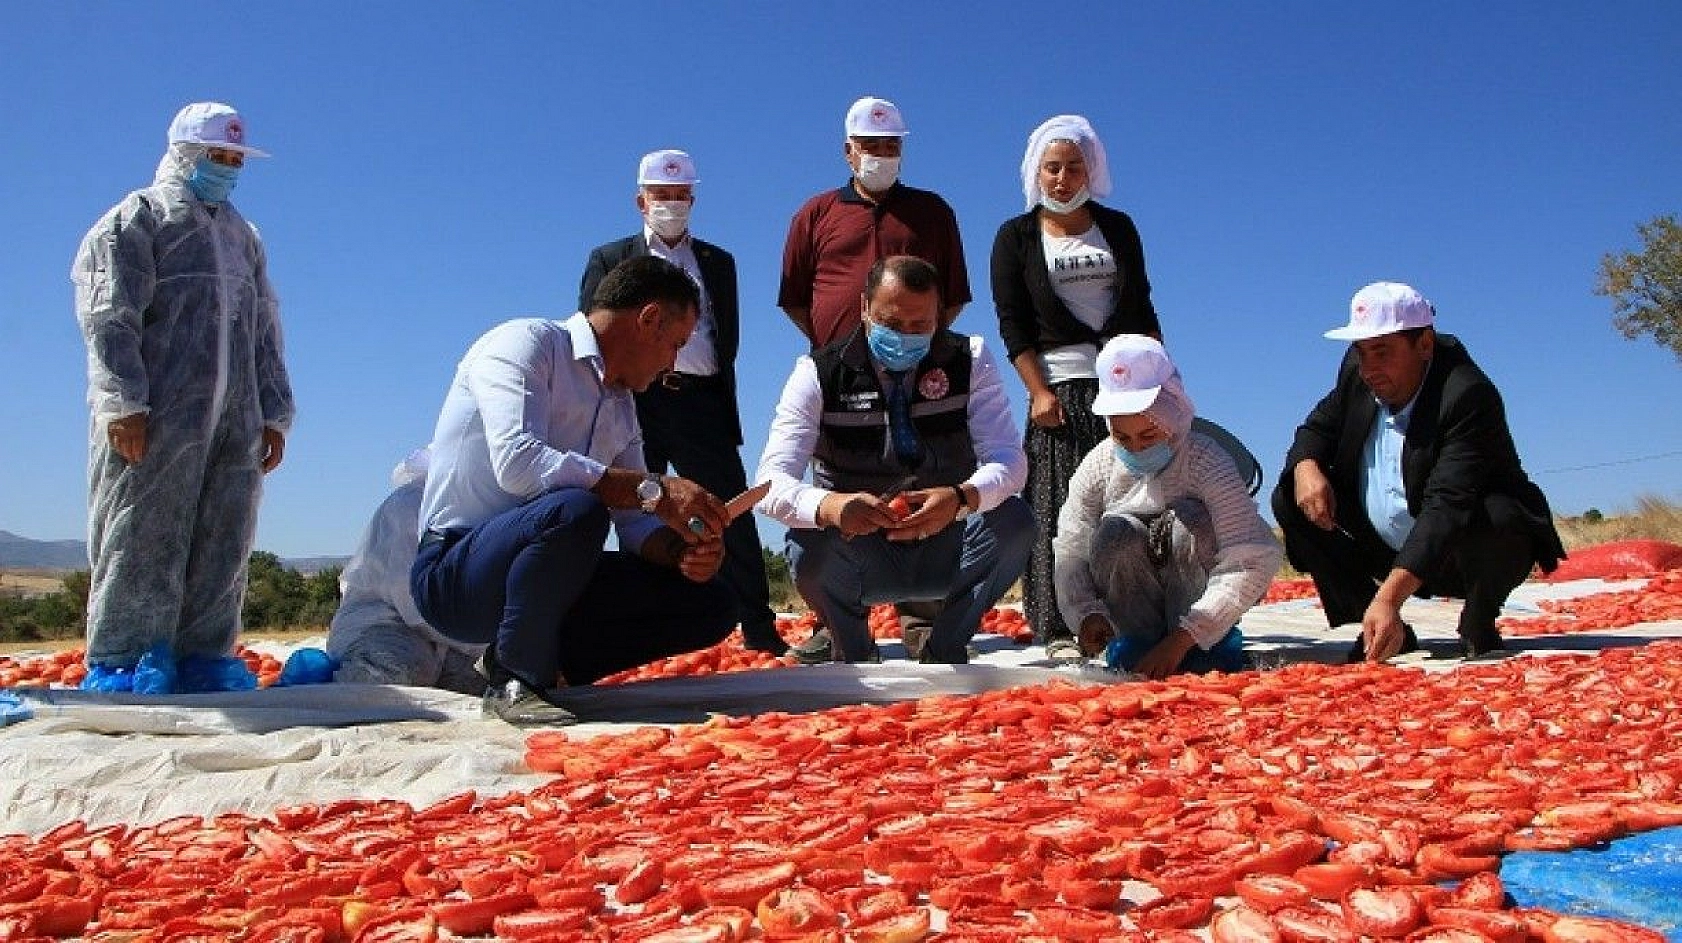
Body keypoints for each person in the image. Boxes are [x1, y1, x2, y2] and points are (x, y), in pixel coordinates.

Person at [411, 256, 737, 723]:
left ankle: (534, 664)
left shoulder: (622, 407)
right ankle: (517, 680)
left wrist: (682, 550)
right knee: (578, 508)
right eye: (675, 345)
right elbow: (518, 465)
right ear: (648, 319)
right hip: (457, 572)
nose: (673, 365)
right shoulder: (526, 345)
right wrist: (658, 491)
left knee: (712, 602)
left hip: (549, 571)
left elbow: (635, 521)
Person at [71, 102, 294, 693]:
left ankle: (204, 656)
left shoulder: (242, 237)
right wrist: (122, 401)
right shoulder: (137, 219)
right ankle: (125, 658)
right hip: (159, 412)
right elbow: (109, 314)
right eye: (216, 156)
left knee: (225, 533)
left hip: (234, 419)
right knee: (143, 530)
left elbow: (264, 330)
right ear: (184, 154)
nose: (226, 168)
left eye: (234, 159)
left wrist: (273, 411)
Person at [755, 256, 1033, 664]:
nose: (905, 336)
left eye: (920, 326)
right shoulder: (817, 374)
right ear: (865, 308)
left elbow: (1010, 461)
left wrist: (961, 498)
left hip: (946, 541)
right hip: (861, 551)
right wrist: (832, 507)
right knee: (806, 542)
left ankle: (947, 646)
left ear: (938, 316)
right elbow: (769, 485)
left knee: (1014, 521)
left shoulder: (969, 359)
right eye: (891, 323)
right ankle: (854, 652)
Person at [1272, 282, 1566, 662]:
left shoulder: (1466, 395)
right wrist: (1306, 466)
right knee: (1290, 497)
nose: (1369, 369)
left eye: (1381, 351)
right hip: (1382, 543)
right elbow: (1317, 428)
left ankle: (1478, 619)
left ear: (1424, 345)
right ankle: (1380, 625)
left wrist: (1389, 597)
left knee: (1501, 515)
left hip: (1460, 551)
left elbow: (1447, 505)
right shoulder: (1358, 374)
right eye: (1361, 352)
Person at [778, 95, 973, 656]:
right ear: (848, 151)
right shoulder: (814, 215)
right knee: (838, 488)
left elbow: (953, 294)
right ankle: (833, 624)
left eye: (892, 146)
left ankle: (925, 622)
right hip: (840, 382)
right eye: (871, 146)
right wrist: (838, 348)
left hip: (922, 375)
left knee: (924, 473)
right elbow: (795, 299)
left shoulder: (933, 212)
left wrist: (916, 342)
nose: (881, 155)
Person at [577, 150, 784, 655]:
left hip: (701, 402)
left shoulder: (718, 262)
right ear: (640, 200)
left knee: (728, 508)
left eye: (680, 195)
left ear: (693, 198)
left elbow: (722, 334)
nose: (672, 204)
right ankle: (650, 621)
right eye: (661, 195)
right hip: (636, 399)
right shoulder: (609, 258)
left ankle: (758, 628)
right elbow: (593, 330)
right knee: (638, 508)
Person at [991, 115, 1164, 661]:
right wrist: (1038, 391)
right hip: (1061, 387)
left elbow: (1142, 306)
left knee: (1131, 498)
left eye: (1073, 167)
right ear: (1035, 173)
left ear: (1094, 170)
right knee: (1058, 505)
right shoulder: (1015, 237)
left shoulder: (1119, 228)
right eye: (1052, 168)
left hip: (1124, 384)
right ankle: (1059, 622)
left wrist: (1161, 378)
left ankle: (1132, 612)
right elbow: (1013, 323)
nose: (1063, 179)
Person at [1054, 336, 1281, 678]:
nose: (1137, 449)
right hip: (1130, 602)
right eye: (1123, 438)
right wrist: (1087, 613)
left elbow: (1248, 557)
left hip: (1198, 609)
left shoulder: (1205, 460)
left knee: (1190, 522)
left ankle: (1203, 647)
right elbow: (1071, 548)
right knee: (1114, 532)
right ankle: (1137, 643)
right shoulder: (1099, 465)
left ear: (1172, 414)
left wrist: (1185, 637)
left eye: (1148, 436)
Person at [325, 449, 486, 694]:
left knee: (486, 684)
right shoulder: (410, 506)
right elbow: (414, 605)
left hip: (446, 638)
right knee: (396, 678)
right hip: (384, 625)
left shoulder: (478, 511)